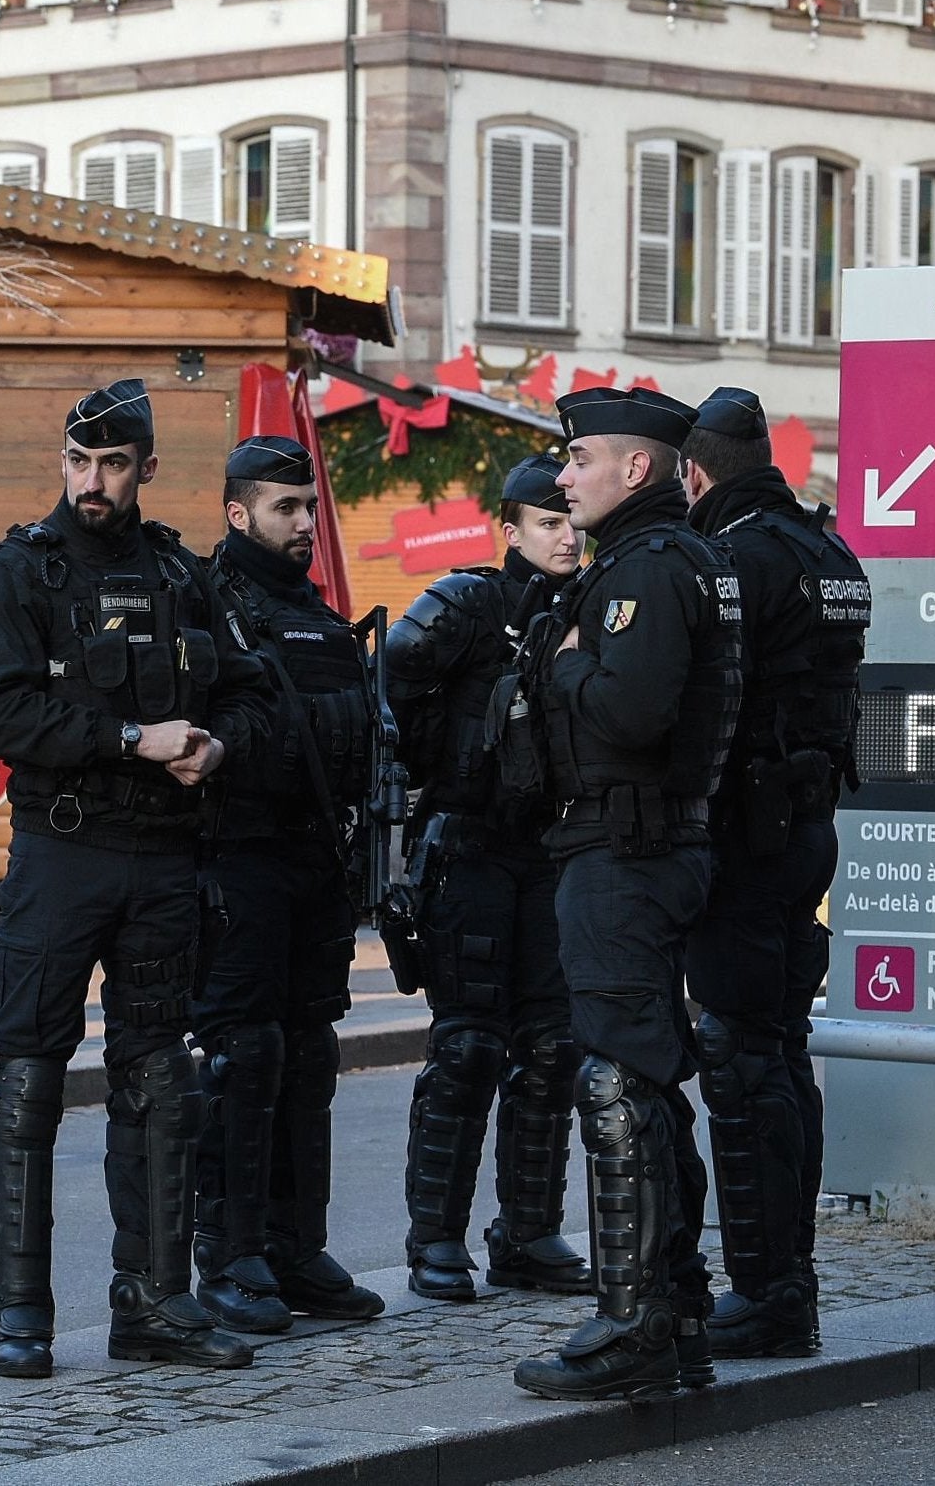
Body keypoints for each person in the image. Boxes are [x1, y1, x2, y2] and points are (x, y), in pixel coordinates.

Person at [0, 379, 272, 1379]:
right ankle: (19, 1310)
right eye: (79, 463)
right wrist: (135, 737)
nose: (93, 483)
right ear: (63, 461)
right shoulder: (22, 573)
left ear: (145, 468)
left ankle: (153, 1303)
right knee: (27, 1078)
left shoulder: (183, 573)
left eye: (113, 465)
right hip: (63, 851)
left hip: (163, 857)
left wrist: (215, 748)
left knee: (160, 1081)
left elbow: (255, 697)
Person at [512, 387, 742, 1403]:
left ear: (636, 470)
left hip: (627, 848)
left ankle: (634, 1319)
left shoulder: (647, 572)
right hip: (644, 845)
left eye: (579, 458)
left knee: (615, 1083)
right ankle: (676, 1310)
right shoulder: (673, 559)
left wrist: (566, 670)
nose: (564, 478)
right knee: (642, 1080)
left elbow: (632, 712)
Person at [680, 388, 868, 1359]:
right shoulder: (831, 553)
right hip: (809, 830)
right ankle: (791, 1276)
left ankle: (764, 1290)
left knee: (743, 1062)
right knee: (784, 1054)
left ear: (697, 471)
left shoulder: (733, 558)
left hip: (746, 843)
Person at [190, 435, 387, 1333]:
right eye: (284, 509)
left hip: (315, 862)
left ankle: (294, 1247)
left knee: (309, 1057)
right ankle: (229, 1254)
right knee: (241, 1055)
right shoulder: (204, 604)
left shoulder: (315, 611)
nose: (305, 524)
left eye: (308, 507)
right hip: (238, 857)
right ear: (238, 513)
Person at [386, 454, 590, 1303]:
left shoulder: (592, 602)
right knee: (467, 1047)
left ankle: (528, 1233)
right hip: (468, 848)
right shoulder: (468, 602)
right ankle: (435, 1238)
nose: (566, 537)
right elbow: (393, 689)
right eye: (547, 524)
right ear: (509, 529)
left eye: (570, 521)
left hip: (549, 853)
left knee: (549, 1049)